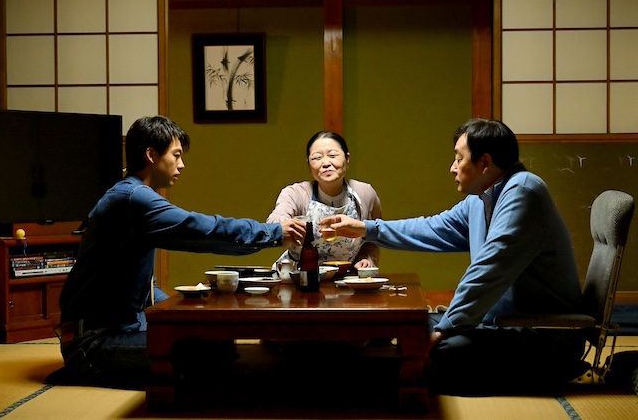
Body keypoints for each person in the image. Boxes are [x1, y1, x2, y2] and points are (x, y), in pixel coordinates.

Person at [320, 118, 586, 394]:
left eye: (459, 159)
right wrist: (366, 229)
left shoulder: (523, 192)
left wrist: (444, 329)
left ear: (484, 163)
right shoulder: (482, 197)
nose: (453, 167)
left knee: (439, 349)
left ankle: (351, 383)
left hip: (542, 336)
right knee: (411, 326)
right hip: (498, 325)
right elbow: (432, 228)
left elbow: (488, 270)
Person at [50, 115, 306, 388]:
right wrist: (274, 233)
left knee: (215, 340)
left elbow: (143, 288)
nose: (181, 164)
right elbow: (204, 230)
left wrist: (182, 310)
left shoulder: (132, 194)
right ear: (151, 155)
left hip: (122, 328)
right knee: (210, 351)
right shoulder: (134, 199)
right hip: (93, 343)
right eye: (176, 155)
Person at [267, 130, 382, 270]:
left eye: (333, 155)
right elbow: (275, 221)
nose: (326, 163)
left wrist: (365, 258)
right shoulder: (295, 193)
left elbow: (374, 236)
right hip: (298, 275)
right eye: (317, 158)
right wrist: (283, 225)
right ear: (309, 165)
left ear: (347, 159)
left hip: (346, 276)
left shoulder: (365, 193)